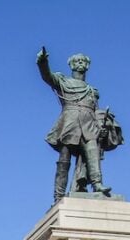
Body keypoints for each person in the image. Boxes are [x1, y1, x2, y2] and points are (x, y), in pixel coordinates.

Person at [37, 46, 112, 203]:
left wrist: (101, 126)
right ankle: (58, 196)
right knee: (64, 160)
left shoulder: (91, 90)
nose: (80, 63)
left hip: (89, 124)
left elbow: (96, 110)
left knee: (93, 152)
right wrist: (42, 63)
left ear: (87, 66)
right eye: (77, 61)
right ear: (71, 65)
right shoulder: (63, 81)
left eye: (83, 61)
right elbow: (47, 77)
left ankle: (97, 184)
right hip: (69, 123)